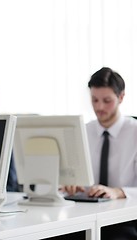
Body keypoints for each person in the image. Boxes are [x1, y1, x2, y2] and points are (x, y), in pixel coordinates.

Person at [63, 67, 137, 240]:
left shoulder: (134, 132)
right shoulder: (82, 131)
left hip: (123, 220)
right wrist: (69, 184)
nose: (99, 107)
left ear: (121, 97)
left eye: (107, 100)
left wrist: (118, 192)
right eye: (94, 100)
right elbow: (68, 176)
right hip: (83, 217)